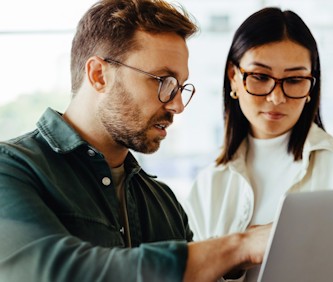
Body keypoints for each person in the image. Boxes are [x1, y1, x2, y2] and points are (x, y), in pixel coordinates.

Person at [0, 1, 270, 281]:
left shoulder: (163, 202)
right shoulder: (11, 169)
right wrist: (238, 247)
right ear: (98, 75)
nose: (177, 105)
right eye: (163, 81)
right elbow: (59, 272)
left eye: (180, 88)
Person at [183, 7, 333, 281]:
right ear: (233, 77)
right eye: (261, 77)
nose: (276, 98)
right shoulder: (209, 185)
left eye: (295, 80)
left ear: (312, 85)